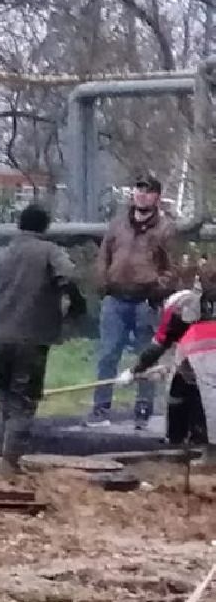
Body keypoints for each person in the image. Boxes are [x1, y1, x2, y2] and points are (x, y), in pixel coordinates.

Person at [0, 205, 85, 476]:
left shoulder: (2, 254)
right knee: (24, 398)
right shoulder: (50, 251)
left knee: (1, 389)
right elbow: (68, 276)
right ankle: (10, 462)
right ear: (46, 227)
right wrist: (77, 305)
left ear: (19, 225)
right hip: (31, 336)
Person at [90, 176, 176, 427]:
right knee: (107, 355)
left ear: (156, 196)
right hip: (115, 299)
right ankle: (100, 408)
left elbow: (171, 267)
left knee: (146, 356)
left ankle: (143, 410)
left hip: (145, 301)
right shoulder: (117, 225)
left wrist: (158, 290)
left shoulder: (165, 229)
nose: (141, 194)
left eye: (147, 191)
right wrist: (103, 283)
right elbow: (103, 257)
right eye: (138, 190)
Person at [124, 261, 216, 453]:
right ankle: (193, 436)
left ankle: (183, 440)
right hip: (198, 355)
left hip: (202, 349)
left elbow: (158, 345)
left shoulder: (176, 305)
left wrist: (134, 371)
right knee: (186, 383)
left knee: (193, 391)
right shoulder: (198, 303)